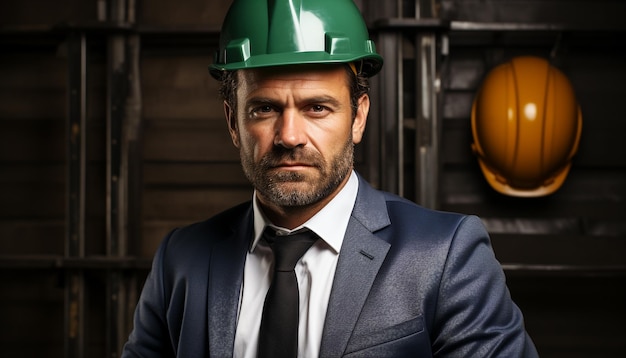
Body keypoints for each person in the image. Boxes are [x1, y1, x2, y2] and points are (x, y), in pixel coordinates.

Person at [122, 0, 539, 356]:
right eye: (264, 109)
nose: (289, 136)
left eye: (317, 108)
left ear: (358, 116)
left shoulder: (446, 257)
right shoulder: (181, 260)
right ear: (233, 122)